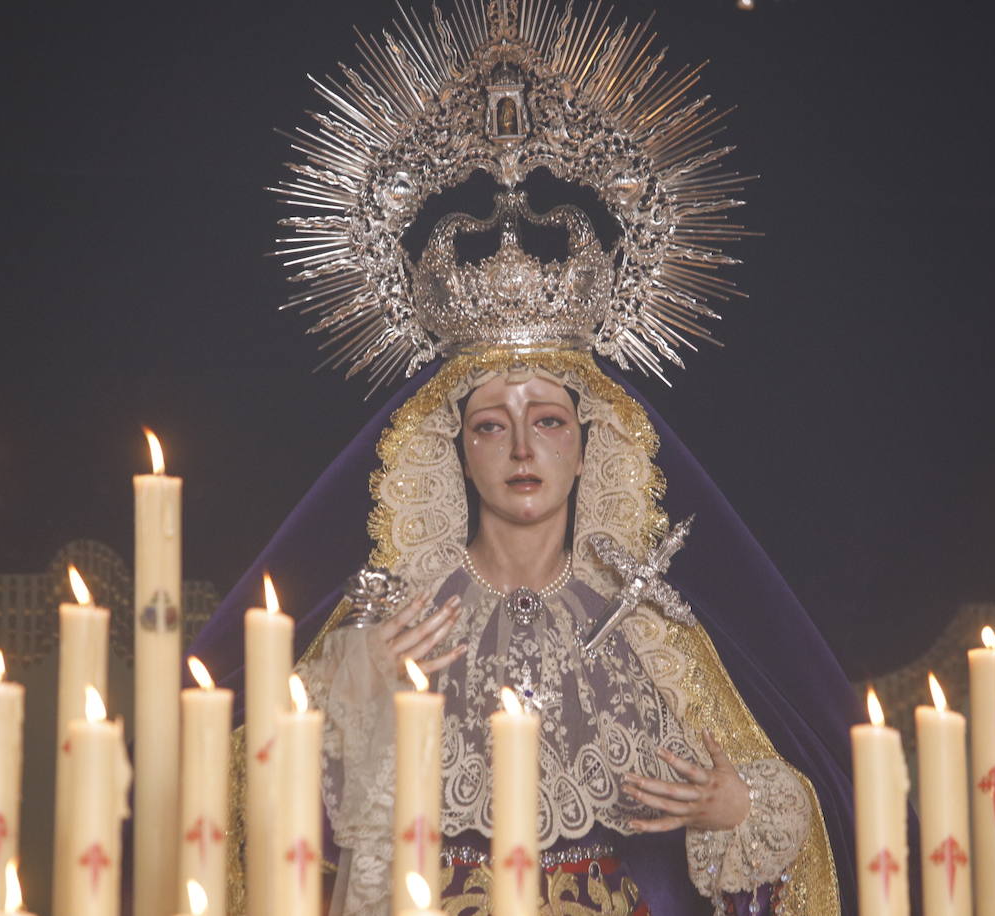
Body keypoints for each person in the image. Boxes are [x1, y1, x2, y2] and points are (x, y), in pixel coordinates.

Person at [188, 2, 864, 912]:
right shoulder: (395, 620)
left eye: (548, 421)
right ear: (454, 451)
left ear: (591, 448)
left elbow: (788, 798)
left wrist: (731, 803)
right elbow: (244, 794)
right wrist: (354, 689)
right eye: (489, 426)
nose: (519, 449)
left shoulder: (651, 627)